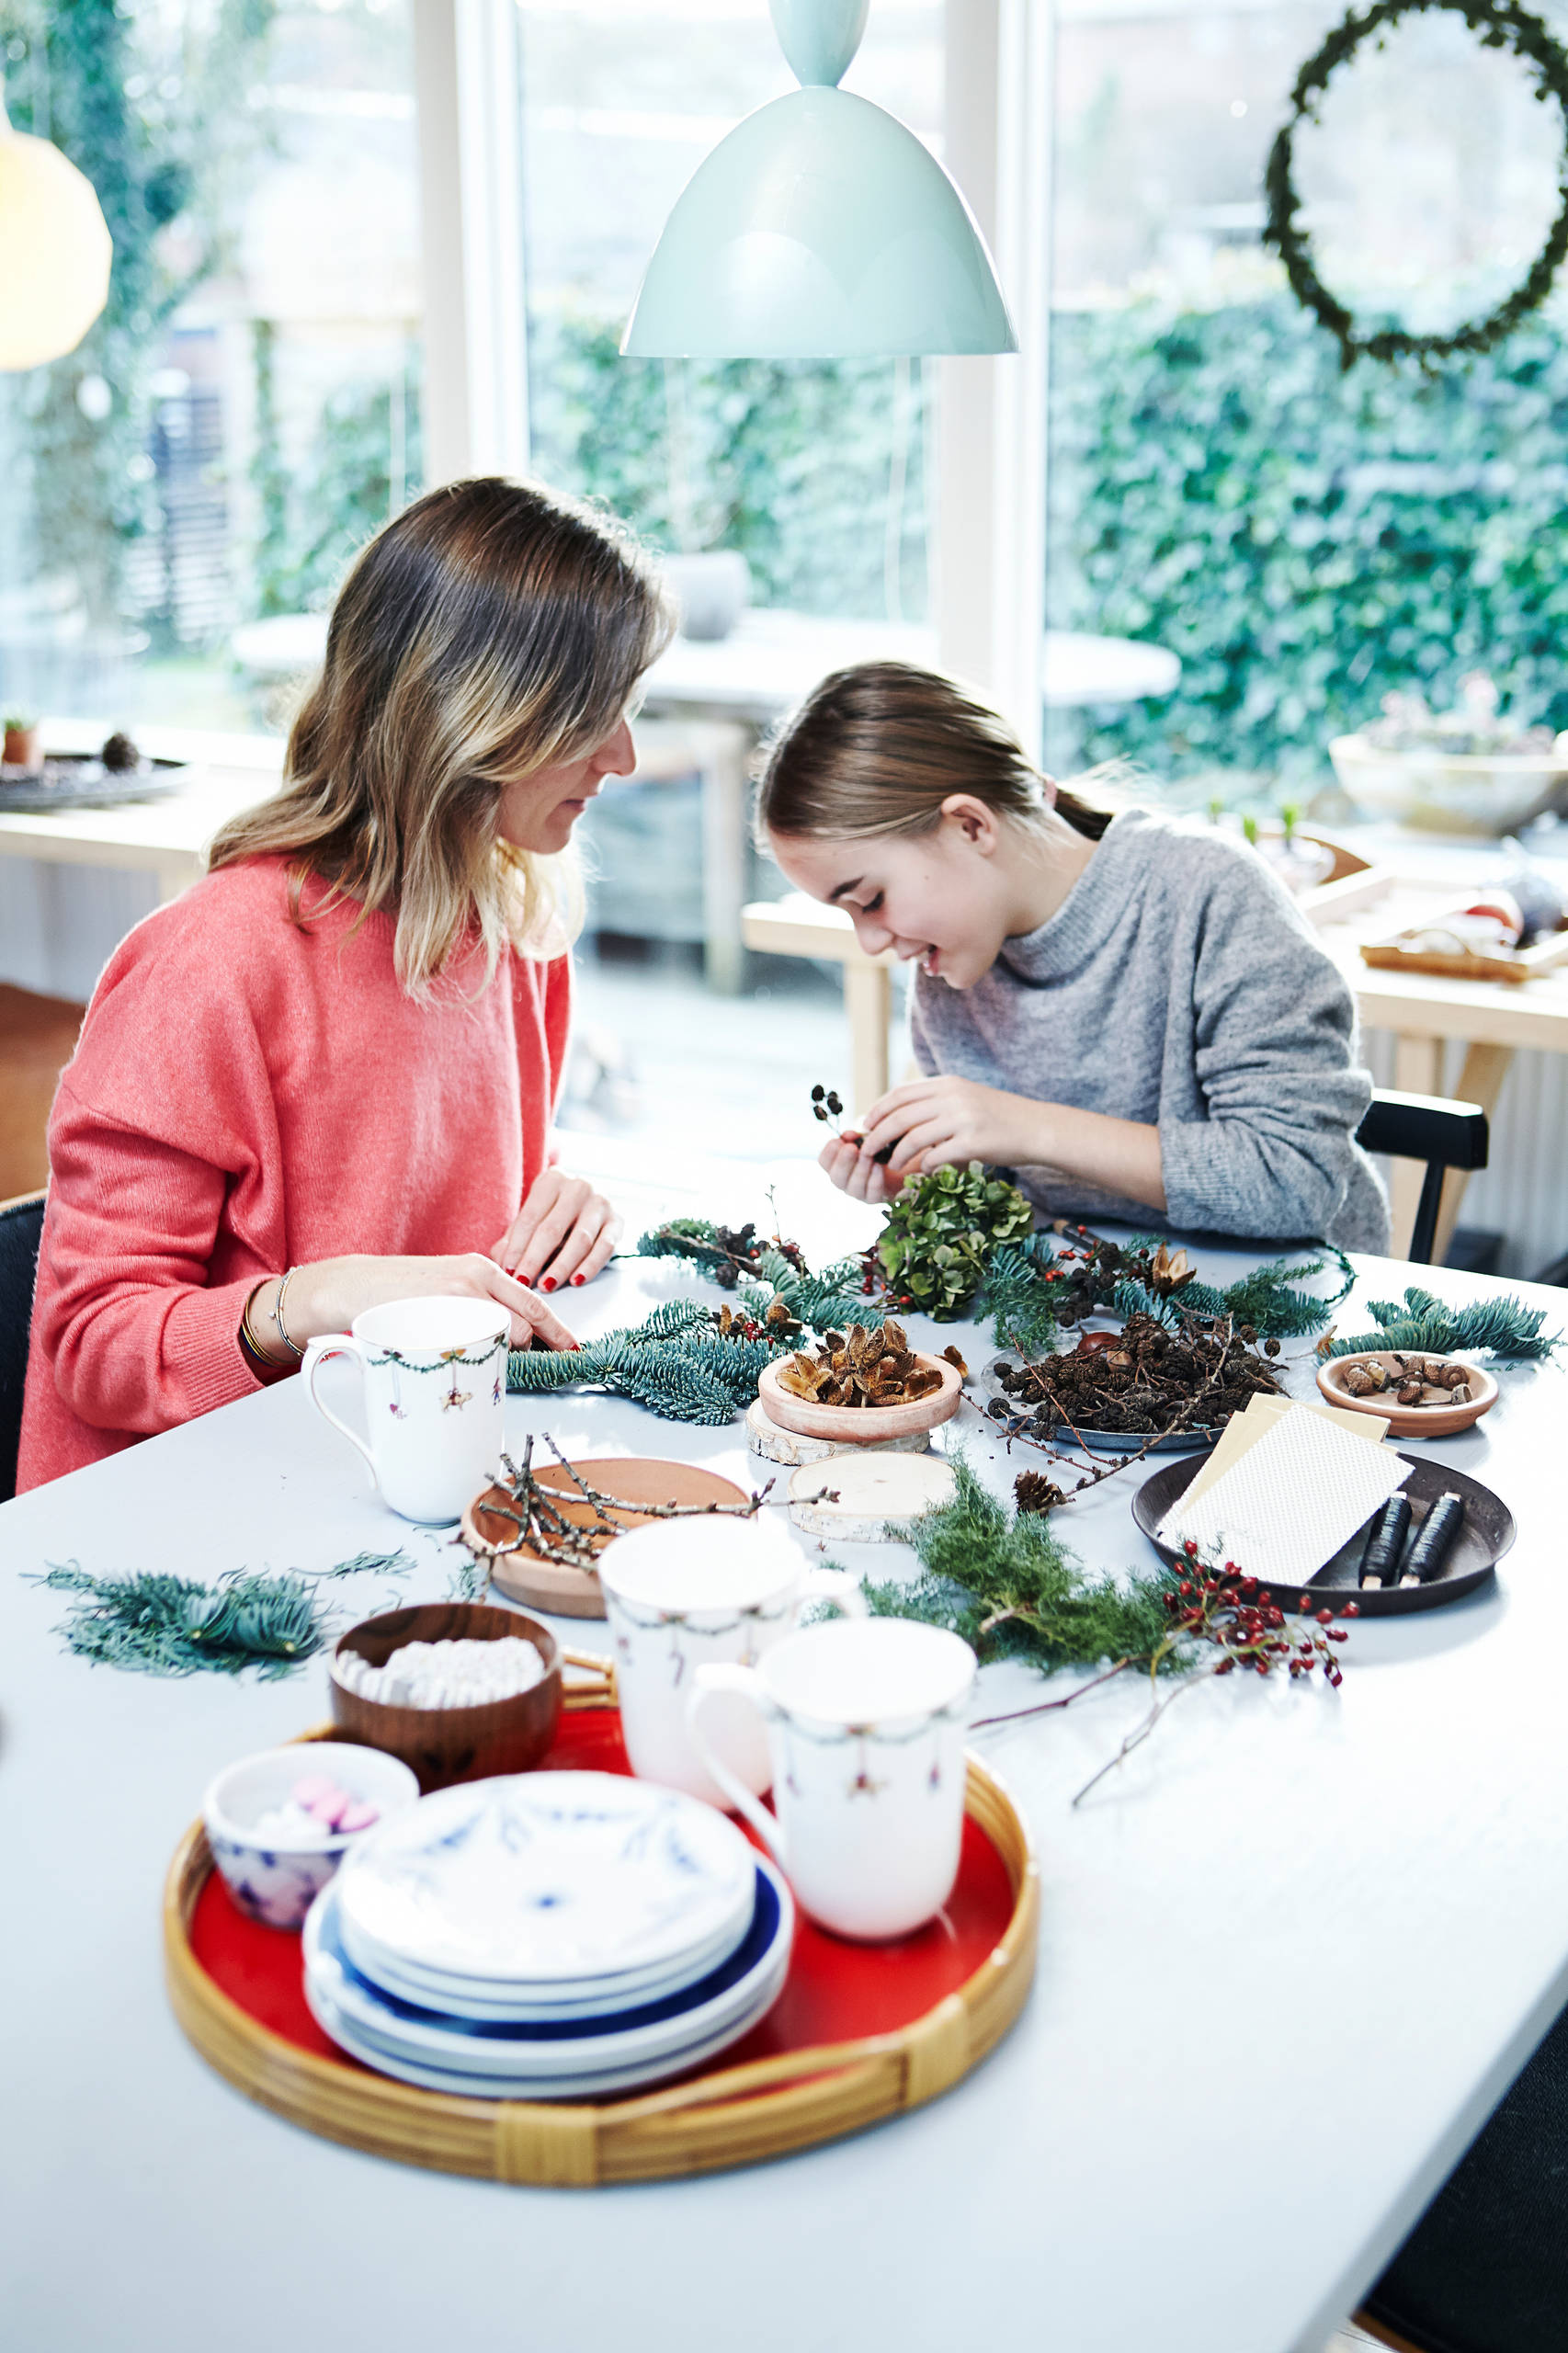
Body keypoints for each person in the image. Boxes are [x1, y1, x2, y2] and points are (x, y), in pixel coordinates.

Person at [17, 477, 672, 1491]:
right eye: (596, 714)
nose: (624, 757)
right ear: (478, 713)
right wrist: (319, 1297)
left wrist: (556, 1220)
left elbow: (456, 1267)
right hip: (196, 1519)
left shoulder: (509, 929)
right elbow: (93, 1347)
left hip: (395, 1473)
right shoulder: (213, 962)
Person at [757, 661, 1389, 1250]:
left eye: (870, 898)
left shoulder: (1210, 893)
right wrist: (923, 1182)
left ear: (971, 826)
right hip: (1102, 1323)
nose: (871, 943)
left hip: (1306, 1318)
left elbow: (1294, 1182)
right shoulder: (952, 967)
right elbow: (1017, 1215)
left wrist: (1026, 1127)